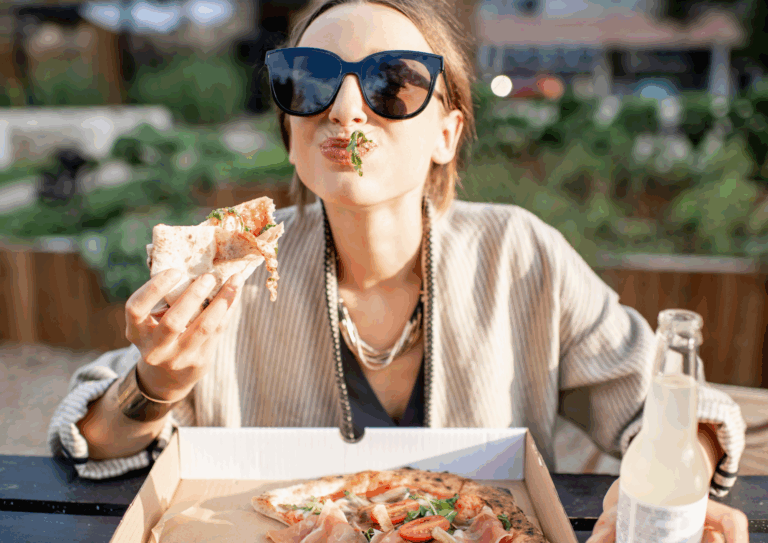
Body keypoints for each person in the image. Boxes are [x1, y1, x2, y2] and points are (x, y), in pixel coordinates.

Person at [48, 0, 749, 540]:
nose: (346, 110)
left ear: (447, 132)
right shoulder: (234, 267)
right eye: (309, 80)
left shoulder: (520, 255)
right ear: (289, 128)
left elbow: (661, 398)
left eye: (392, 84)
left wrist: (662, 483)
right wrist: (158, 383)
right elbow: (94, 439)